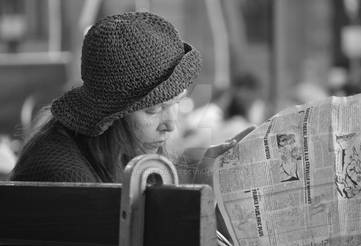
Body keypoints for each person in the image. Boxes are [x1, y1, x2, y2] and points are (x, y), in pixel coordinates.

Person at [9, 11, 247, 186]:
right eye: (154, 110)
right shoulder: (66, 177)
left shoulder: (113, 157)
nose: (171, 124)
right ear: (111, 116)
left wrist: (206, 187)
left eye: (176, 103)